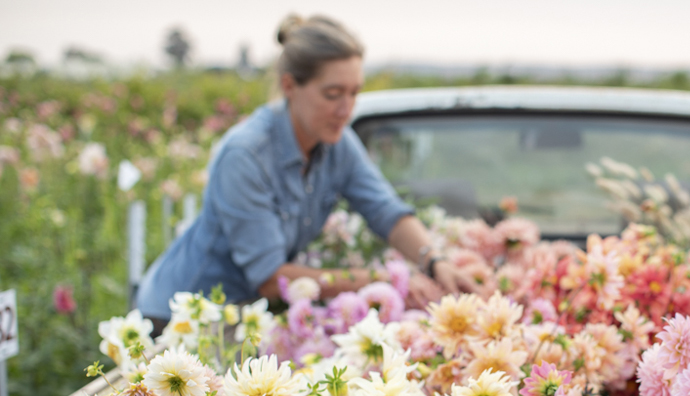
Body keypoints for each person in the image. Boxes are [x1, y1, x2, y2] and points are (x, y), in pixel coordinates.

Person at [136, 14, 477, 328]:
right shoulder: (245, 155)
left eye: (354, 93)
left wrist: (435, 261)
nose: (346, 109)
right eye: (333, 94)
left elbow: (386, 211)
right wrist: (385, 281)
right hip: (181, 317)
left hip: (241, 312)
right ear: (289, 86)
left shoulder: (336, 143)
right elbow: (271, 278)